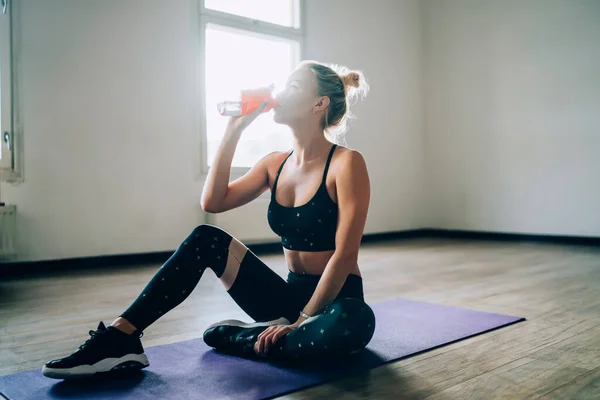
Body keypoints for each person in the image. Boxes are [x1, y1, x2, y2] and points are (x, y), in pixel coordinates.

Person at [42, 60, 374, 379]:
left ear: (319, 104)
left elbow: (345, 256)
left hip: (336, 302)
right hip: (286, 299)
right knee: (205, 237)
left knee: (354, 321)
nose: (282, 92)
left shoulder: (347, 163)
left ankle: (261, 338)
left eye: (293, 85)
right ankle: (121, 336)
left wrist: (302, 320)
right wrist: (235, 127)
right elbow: (213, 202)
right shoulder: (274, 163)